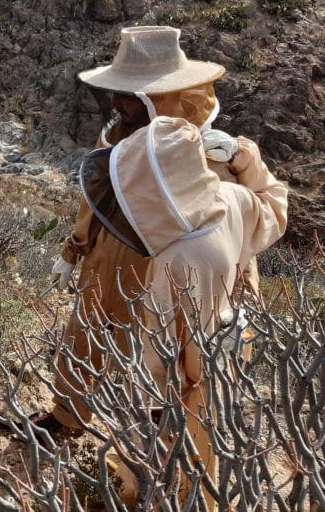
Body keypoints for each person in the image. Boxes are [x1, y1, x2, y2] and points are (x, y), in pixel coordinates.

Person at [38, 25, 263, 433]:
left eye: (126, 94)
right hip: (108, 256)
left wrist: (243, 286)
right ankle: (66, 416)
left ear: (155, 96)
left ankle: (159, 432)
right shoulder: (118, 134)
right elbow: (97, 198)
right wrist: (72, 252)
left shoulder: (203, 150)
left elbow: (236, 227)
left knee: (161, 353)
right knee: (84, 336)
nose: (115, 101)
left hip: (166, 270)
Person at [96, 116, 287, 508]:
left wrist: (146, 407)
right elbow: (275, 207)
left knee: (176, 460)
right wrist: (243, 157)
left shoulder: (174, 256)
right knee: (215, 441)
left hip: (191, 377)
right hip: (234, 341)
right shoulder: (232, 198)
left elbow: (160, 358)